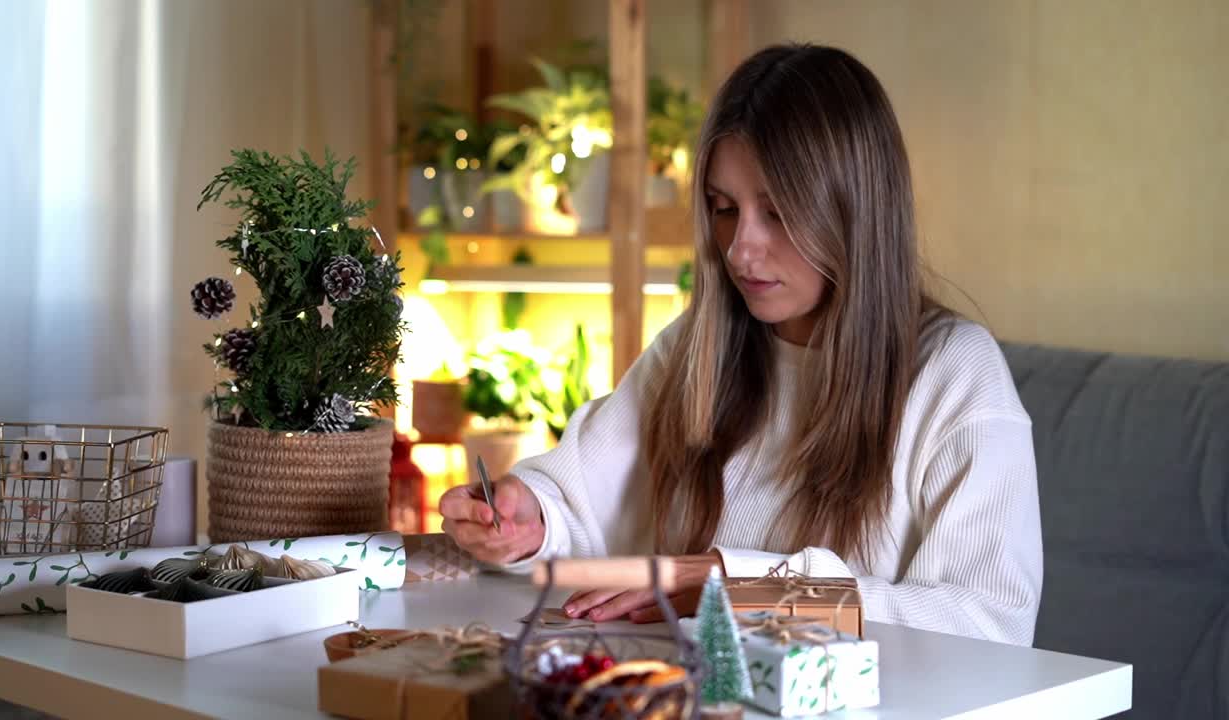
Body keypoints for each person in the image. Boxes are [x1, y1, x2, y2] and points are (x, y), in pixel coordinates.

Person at [439, 43, 1042, 646]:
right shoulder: (693, 351)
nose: (740, 249)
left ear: (856, 212)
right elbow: (581, 500)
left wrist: (747, 583)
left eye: (778, 213)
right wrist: (529, 519)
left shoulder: (954, 373)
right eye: (723, 209)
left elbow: (991, 624)